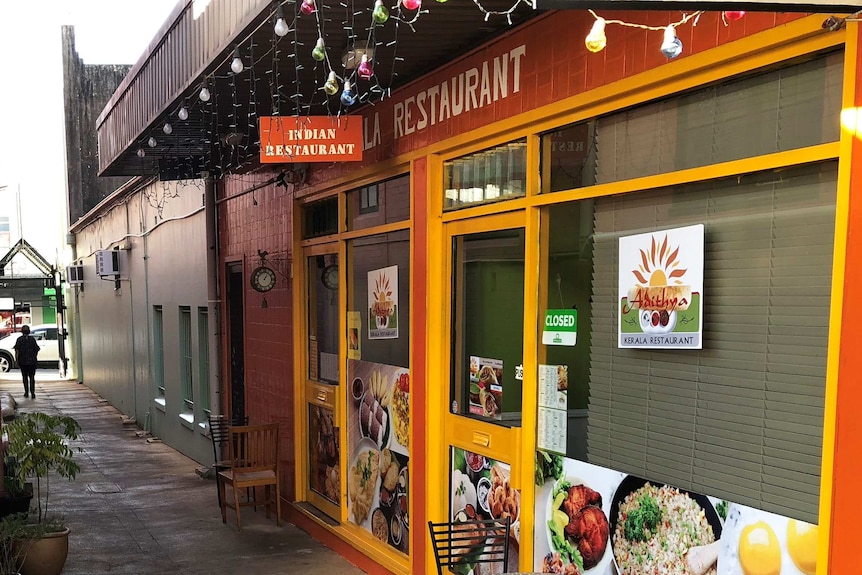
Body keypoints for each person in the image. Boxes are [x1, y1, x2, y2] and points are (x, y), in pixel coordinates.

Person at [13, 325, 39, 399]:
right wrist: (34, 357)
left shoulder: (19, 340)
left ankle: (26, 392)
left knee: (24, 377)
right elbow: (36, 349)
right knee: (32, 377)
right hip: (32, 362)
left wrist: (17, 360)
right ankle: (33, 392)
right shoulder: (32, 339)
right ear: (29, 331)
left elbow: (17, 351)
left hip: (23, 362)